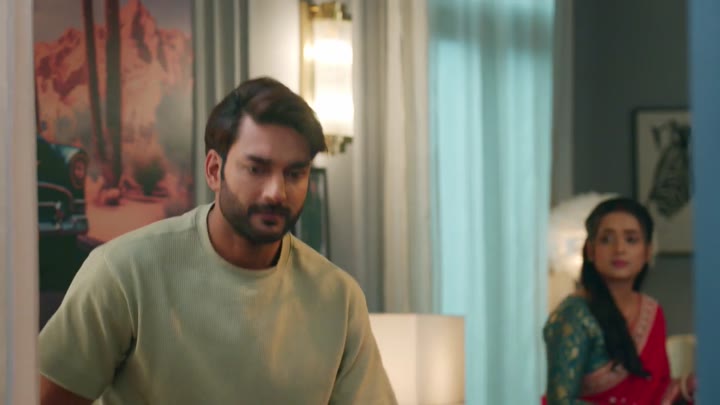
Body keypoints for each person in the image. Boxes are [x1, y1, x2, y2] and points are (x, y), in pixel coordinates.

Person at [39, 77, 398, 405]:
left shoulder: (339, 298)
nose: (276, 192)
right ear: (214, 170)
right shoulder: (123, 272)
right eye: (256, 169)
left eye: (294, 173)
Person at [542, 197, 696, 404]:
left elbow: (657, 391)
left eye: (631, 240)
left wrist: (686, 386)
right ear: (590, 251)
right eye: (607, 239)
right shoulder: (573, 316)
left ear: (647, 251)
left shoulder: (652, 311)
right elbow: (560, 401)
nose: (619, 249)